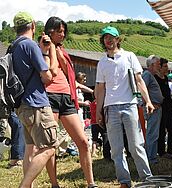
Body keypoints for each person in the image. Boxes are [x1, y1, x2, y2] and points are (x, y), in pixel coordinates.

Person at [95, 26, 154, 188]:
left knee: (136, 146)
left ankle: (147, 179)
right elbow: (100, 89)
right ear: (103, 41)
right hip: (110, 108)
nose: (108, 40)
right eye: (105, 37)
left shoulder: (129, 56)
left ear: (117, 39)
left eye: (111, 37)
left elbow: (139, 80)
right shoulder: (102, 62)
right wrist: (98, 111)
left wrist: (147, 101)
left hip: (130, 105)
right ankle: (124, 181)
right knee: (116, 149)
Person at [43, 16, 97, 187]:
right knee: (51, 144)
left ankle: (91, 183)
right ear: (49, 31)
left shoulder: (61, 50)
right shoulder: (42, 47)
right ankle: (54, 184)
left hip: (67, 96)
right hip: (49, 96)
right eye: (59, 31)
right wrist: (49, 49)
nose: (63, 34)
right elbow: (48, 72)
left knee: (82, 141)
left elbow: (68, 73)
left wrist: (59, 54)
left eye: (64, 31)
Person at [11, 11, 59, 188]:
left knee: (29, 150)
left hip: (21, 106)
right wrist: (47, 51)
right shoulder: (30, 46)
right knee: (48, 148)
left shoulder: (13, 46)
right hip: (36, 104)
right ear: (33, 25)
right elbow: (47, 76)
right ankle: (24, 186)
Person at [142, 55, 164, 164]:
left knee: (153, 133)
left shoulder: (150, 75)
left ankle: (151, 157)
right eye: (158, 64)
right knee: (152, 134)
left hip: (155, 107)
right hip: (153, 108)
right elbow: (142, 90)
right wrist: (148, 103)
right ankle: (150, 158)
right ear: (151, 65)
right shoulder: (147, 75)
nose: (159, 66)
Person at [154, 58, 172, 158]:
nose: (167, 68)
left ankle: (171, 150)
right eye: (165, 66)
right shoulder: (155, 79)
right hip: (161, 107)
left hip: (169, 106)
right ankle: (161, 151)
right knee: (161, 130)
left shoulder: (166, 78)